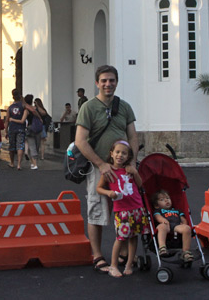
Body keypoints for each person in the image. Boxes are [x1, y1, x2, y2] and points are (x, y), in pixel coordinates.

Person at [75, 65, 138, 274]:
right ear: (97, 83)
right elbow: (81, 141)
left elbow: (133, 137)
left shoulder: (125, 107)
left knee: (128, 209)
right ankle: (98, 255)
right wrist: (101, 164)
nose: (108, 84)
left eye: (111, 80)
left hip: (122, 170)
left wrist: (132, 162)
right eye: (103, 81)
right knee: (97, 210)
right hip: (99, 168)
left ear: (116, 82)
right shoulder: (89, 108)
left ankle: (122, 254)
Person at [96, 140, 146, 278]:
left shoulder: (130, 170)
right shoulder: (109, 172)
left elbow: (140, 185)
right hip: (122, 210)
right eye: (117, 152)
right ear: (111, 154)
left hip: (136, 208)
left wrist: (135, 172)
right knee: (120, 238)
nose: (120, 155)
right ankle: (113, 266)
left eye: (124, 153)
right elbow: (99, 188)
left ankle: (129, 264)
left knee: (134, 237)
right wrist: (108, 193)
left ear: (128, 156)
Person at [152, 190, 194, 262]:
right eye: (162, 200)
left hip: (176, 226)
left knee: (187, 228)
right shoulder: (158, 211)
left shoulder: (177, 211)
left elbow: (183, 219)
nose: (166, 200)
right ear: (156, 205)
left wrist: (184, 223)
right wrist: (164, 221)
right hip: (165, 226)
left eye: (167, 198)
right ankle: (162, 247)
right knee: (161, 227)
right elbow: (158, 217)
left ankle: (186, 252)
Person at [5, 89, 28, 170]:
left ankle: (12, 162)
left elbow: (7, 120)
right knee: (20, 146)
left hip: (12, 128)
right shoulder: (23, 106)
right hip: (21, 128)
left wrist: (6, 130)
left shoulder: (10, 108)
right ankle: (19, 164)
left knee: (12, 146)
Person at [17, 94, 40, 170]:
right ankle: (34, 162)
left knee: (31, 145)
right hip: (37, 128)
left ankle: (34, 163)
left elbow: (23, 120)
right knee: (36, 146)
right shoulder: (35, 108)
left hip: (30, 128)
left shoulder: (26, 110)